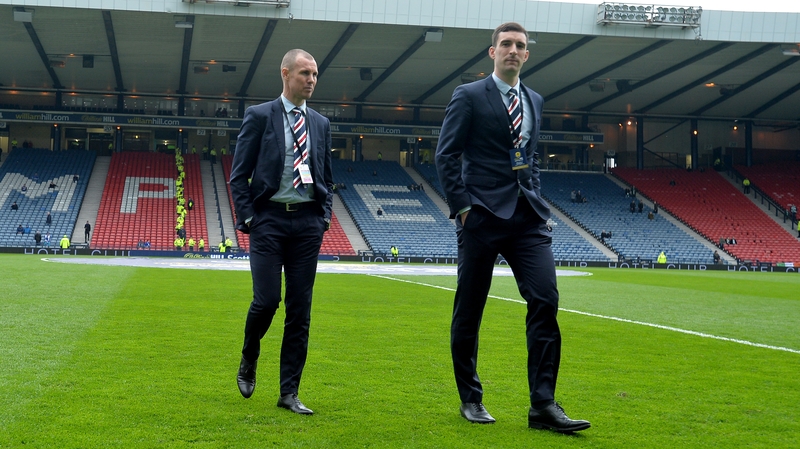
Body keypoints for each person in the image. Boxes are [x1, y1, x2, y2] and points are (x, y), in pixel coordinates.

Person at [435, 22, 589, 432]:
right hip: (481, 216)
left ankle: (543, 405)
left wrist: (535, 195)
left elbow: (530, 157)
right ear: (492, 52)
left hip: (527, 219)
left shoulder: (534, 99)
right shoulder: (468, 96)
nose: (513, 50)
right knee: (470, 310)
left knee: (545, 300)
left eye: (520, 45)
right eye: (506, 44)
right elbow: (446, 155)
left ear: (527, 54)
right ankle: (470, 397)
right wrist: (463, 208)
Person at [229, 48, 333, 416]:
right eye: (304, 73)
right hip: (269, 221)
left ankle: (289, 392)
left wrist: (323, 217)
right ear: (285, 73)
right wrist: (251, 219)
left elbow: (326, 176)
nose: (311, 80)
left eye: (315, 74)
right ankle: (249, 353)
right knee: (267, 301)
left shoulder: (320, 123)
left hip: (307, 223)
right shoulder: (260, 116)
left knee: (300, 311)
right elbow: (238, 175)